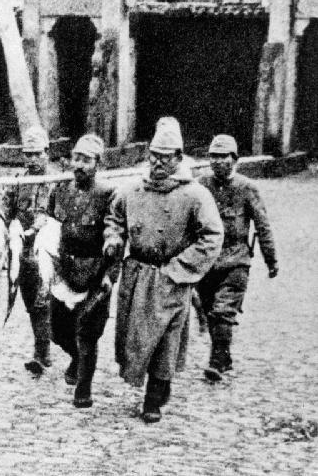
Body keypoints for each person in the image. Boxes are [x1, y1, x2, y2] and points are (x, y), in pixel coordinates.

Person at [103, 125, 223, 423]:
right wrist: (114, 238)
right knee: (137, 338)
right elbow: (114, 217)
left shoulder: (195, 194)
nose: (157, 163)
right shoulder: (132, 189)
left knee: (166, 339)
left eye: (165, 158)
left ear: (178, 157)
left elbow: (212, 236)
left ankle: (154, 396)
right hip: (138, 275)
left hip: (172, 277)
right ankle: (156, 383)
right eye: (153, 156)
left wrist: (180, 268)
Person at [197, 134, 278, 382]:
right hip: (207, 261)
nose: (219, 162)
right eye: (214, 156)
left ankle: (217, 361)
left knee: (223, 312)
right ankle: (224, 354)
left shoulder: (247, 188)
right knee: (211, 310)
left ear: (235, 160)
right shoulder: (201, 186)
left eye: (225, 157)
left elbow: (262, 225)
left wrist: (270, 259)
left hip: (236, 261)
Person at [46, 134, 117, 408]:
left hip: (94, 271)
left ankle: (84, 388)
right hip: (64, 270)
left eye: (86, 160)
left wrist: (110, 275)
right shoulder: (60, 190)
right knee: (57, 330)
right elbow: (52, 224)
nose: (79, 165)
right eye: (76, 158)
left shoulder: (108, 194)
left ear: (98, 163)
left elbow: (116, 235)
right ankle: (76, 357)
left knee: (88, 332)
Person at [2, 125, 61, 374]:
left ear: (47, 152)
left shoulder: (57, 181)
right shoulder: (18, 181)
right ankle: (43, 346)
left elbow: (64, 216)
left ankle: (42, 350)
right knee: (29, 301)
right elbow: (5, 209)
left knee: (44, 299)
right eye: (29, 154)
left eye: (38, 153)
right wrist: (7, 224)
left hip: (48, 251)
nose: (33, 159)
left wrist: (47, 222)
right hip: (23, 251)